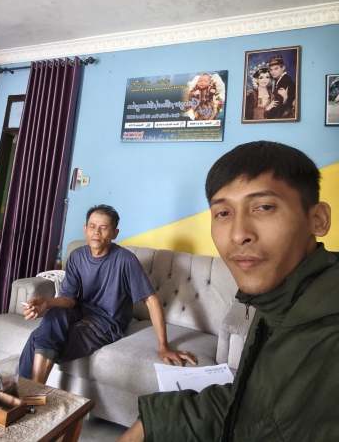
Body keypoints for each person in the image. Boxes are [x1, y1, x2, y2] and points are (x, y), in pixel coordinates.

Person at [117, 141, 338, 442]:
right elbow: (253, 403)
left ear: (318, 219)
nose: (238, 234)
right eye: (223, 213)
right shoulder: (276, 304)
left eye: (263, 207)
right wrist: (152, 422)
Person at [18, 204, 197, 383]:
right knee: (53, 316)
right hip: (80, 311)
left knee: (39, 338)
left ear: (114, 233)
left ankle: (26, 393)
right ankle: (29, 393)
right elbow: (69, 300)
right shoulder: (77, 256)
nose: (96, 232)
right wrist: (47, 303)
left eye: (103, 228)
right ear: (85, 229)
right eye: (92, 226)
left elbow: (151, 300)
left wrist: (164, 346)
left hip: (108, 323)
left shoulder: (125, 260)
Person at [266, 55, 296, 119]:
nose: (273, 72)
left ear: (283, 68)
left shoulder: (286, 80)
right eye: (271, 69)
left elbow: (277, 105)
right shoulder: (278, 80)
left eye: (276, 69)